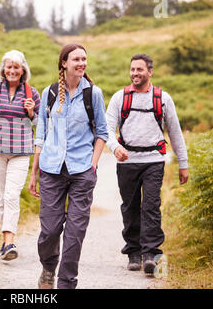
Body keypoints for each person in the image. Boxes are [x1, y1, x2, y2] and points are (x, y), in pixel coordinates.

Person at [29, 44, 108, 289]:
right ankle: (48, 268)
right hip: (51, 170)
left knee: (75, 232)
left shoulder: (92, 93)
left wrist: (93, 166)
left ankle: (66, 283)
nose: (82, 63)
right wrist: (34, 171)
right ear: (64, 63)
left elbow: (102, 133)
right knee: (50, 230)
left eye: (84, 59)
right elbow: (40, 133)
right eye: (76, 59)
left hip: (82, 170)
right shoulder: (49, 93)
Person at [105, 53, 189, 274]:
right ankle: (134, 252)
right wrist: (115, 147)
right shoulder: (119, 97)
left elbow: (175, 133)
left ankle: (150, 253)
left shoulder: (163, 99)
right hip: (127, 162)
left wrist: (183, 163)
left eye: (139, 70)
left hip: (154, 160)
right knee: (130, 208)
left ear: (150, 72)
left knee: (151, 206)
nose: (135, 73)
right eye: (132, 69)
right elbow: (106, 129)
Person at [0, 50, 40, 261]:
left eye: (16, 67)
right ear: (3, 69)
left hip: (21, 152)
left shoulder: (31, 93)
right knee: (2, 198)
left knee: (11, 196)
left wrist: (31, 112)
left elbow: (40, 125)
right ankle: (5, 242)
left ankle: (10, 243)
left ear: (23, 70)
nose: (12, 71)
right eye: (9, 67)